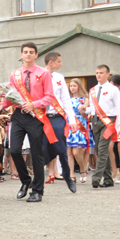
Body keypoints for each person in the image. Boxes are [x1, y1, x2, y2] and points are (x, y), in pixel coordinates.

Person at [0, 42, 55, 203]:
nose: (28, 54)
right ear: (21, 55)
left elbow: (49, 97)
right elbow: (11, 97)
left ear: (36, 55)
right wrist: (2, 105)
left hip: (36, 117)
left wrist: (33, 104)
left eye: (31, 52)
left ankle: (37, 191)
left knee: (36, 155)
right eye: (25, 52)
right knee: (14, 150)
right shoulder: (14, 74)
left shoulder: (44, 74)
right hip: (18, 116)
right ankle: (25, 181)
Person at [42, 52, 78, 193]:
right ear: (51, 62)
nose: (61, 64)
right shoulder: (38, 75)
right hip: (42, 117)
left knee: (62, 149)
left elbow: (65, 99)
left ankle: (68, 178)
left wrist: (72, 120)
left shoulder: (59, 77)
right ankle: (37, 180)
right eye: (59, 61)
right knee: (41, 149)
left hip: (57, 117)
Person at [87, 65, 120, 188]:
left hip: (108, 121)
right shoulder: (93, 90)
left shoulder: (113, 89)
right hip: (96, 121)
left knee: (103, 149)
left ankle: (96, 178)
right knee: (100, 150)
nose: (98, 75)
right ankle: (108, 179)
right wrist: (86, 110)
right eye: (97, 72)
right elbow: (93, 108)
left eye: (101, 73)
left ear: (108, 75)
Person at [66, 79, 93, 184]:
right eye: (71, 86)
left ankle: (83, 169)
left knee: (78, 151)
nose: (72, 88)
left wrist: (83, 110)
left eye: (74, 86)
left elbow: (84, 114)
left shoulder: (85, 99)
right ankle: (71, 174)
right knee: (69, 151)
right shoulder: (67, 99)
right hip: (69, 124)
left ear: (79, 87)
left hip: (81, 124)